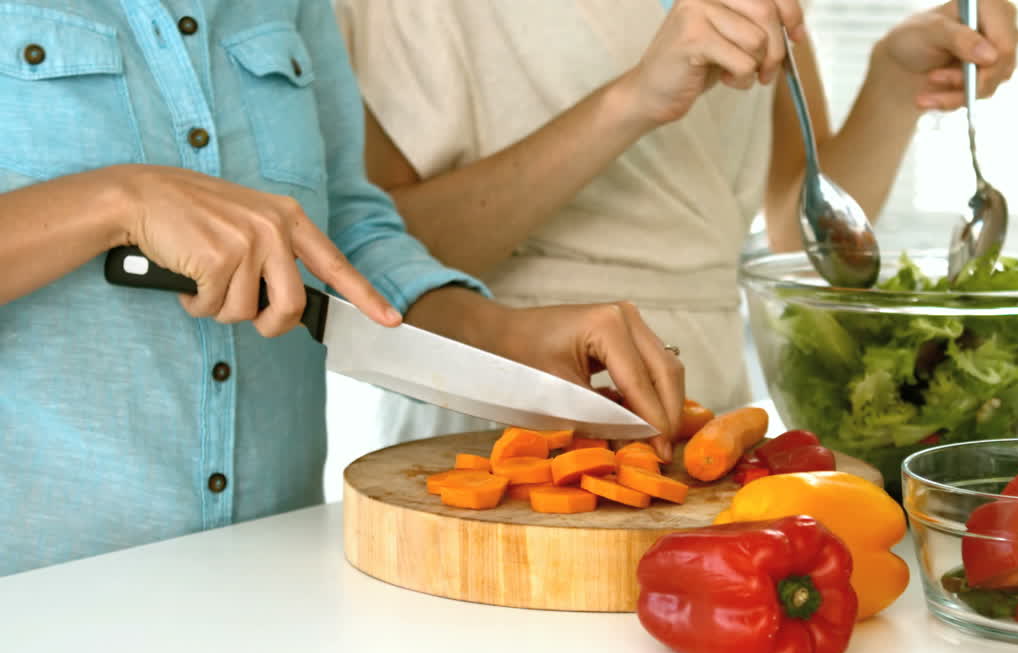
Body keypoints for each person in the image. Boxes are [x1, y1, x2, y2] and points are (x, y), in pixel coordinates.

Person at [0, 0, 683, 577]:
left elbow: (347, 222)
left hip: (275, 576)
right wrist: (116, 202)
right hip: (39, 599)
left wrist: (498, 335)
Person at [335, 0, 1018, 444]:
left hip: (711, 414)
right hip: (512, 409)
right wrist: (632, 100)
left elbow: (797, 228)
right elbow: (385, 257)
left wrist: (893, 86)